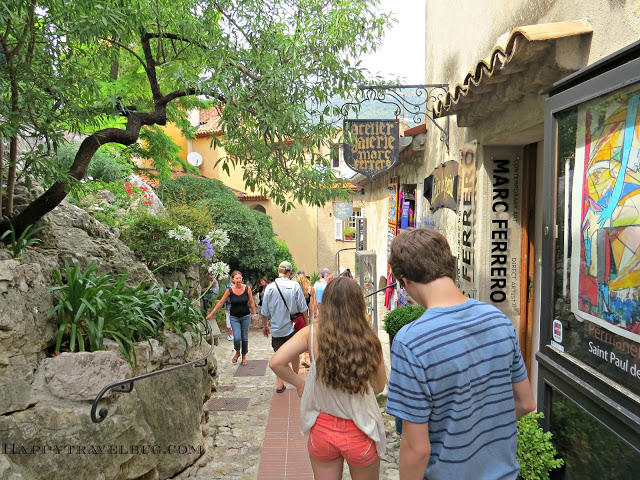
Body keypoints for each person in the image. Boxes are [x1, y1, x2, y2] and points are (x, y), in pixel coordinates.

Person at [385, 228, 536, 480]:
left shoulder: (410, 341)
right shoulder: (498, 320)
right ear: (448, 265)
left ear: (405, 280)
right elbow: (526, 403)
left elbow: (417, 448)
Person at [269, 277, 387, 479]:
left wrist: (300, 383)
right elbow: (378, 387)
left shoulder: (311, 334)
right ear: (358, 303)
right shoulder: (369, 338)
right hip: (360, 430)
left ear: (327, 302)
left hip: (322, 431)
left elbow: (276, 362)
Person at [261, 261, 308, 393]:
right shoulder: (294, 286)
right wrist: (307, 325)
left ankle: (280, 383)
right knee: (294, 354)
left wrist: (265, 326)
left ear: (278, 271)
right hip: (292, 327)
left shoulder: (270, 288)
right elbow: (303, 308)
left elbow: (264, 311)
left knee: (279, 354)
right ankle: (295, 377)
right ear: (289, 272)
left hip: (277, 329)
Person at [206, 270, 258, 366]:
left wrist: (254, 315)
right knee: (237, 338)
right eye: (236, 278)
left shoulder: (247, 289)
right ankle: (237, 352)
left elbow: (251, 302)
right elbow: (221, 302)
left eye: (240, 278)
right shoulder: (229, 290)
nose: (238, 280)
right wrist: (212, 313)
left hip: (245, 316)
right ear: (233, 279)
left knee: (244, 338)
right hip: (234, 317)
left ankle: (243, 357)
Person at [295, 270, 316, 368]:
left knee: (295, 338)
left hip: (293, 317)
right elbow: (311, 306)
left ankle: (296, 357)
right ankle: (303, 356)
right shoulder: (309, 289)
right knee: (305, 339)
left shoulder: (293, 288)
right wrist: (312, 319)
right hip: (304, 317)